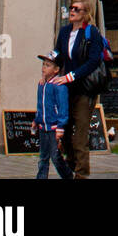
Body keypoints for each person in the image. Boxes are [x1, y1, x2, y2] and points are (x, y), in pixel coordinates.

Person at [51, 0, 104, 179]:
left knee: (79, 135)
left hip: (84, 89)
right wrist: (48, 67)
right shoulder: (65, 32)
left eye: (77, 9)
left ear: (85, 14)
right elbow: (58, 53)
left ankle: (82, 175)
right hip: (67, 89)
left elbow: (93, 61)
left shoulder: (91, 33)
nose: (72, 11)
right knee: (64, 131)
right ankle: (71, 166)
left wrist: (71, 75)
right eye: (71, 7)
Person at [32, 50, 73, 181]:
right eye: (43, 64)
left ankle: (67, 176)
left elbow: (63, 108)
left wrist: (61, 127)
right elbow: (40, 104)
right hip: (43, 127)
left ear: (56, 70)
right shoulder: (41, 84)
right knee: (43, 157)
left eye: (47, 65)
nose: (44, 68)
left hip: (54, 128)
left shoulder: (59, 86)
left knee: (55, 157)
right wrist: (37, 119)